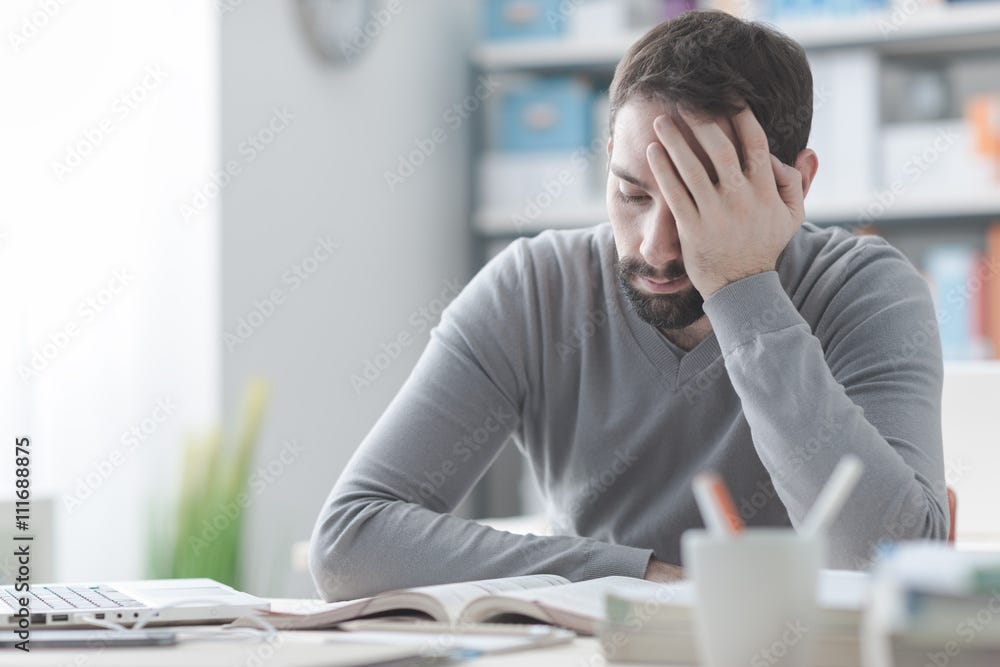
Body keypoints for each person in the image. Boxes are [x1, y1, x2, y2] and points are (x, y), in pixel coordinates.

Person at [310, 10, 949, 601]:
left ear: (796, 184)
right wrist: (644, 579)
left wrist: (743, 291)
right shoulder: (534, 289)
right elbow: (349, 543)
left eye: (702, 202)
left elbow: (887, 565)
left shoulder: (864, 290)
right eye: (632, 193)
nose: (657, 246)